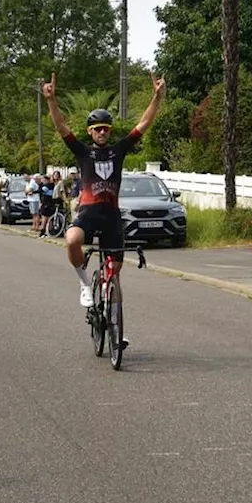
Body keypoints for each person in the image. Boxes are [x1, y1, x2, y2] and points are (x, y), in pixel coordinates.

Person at [44, 71, 166, 318]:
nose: (102, 133)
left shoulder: (118, 151)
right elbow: (61, 126)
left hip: (111, 216)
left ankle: (115, 328)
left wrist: (157, 97)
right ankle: (84, 283)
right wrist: (51, 100)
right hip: (88, 212)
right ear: (90, 132)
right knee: (71, 239)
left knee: (115, 275)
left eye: (106, 129)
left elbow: (143, 124)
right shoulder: (82, 152)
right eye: (97, 129)